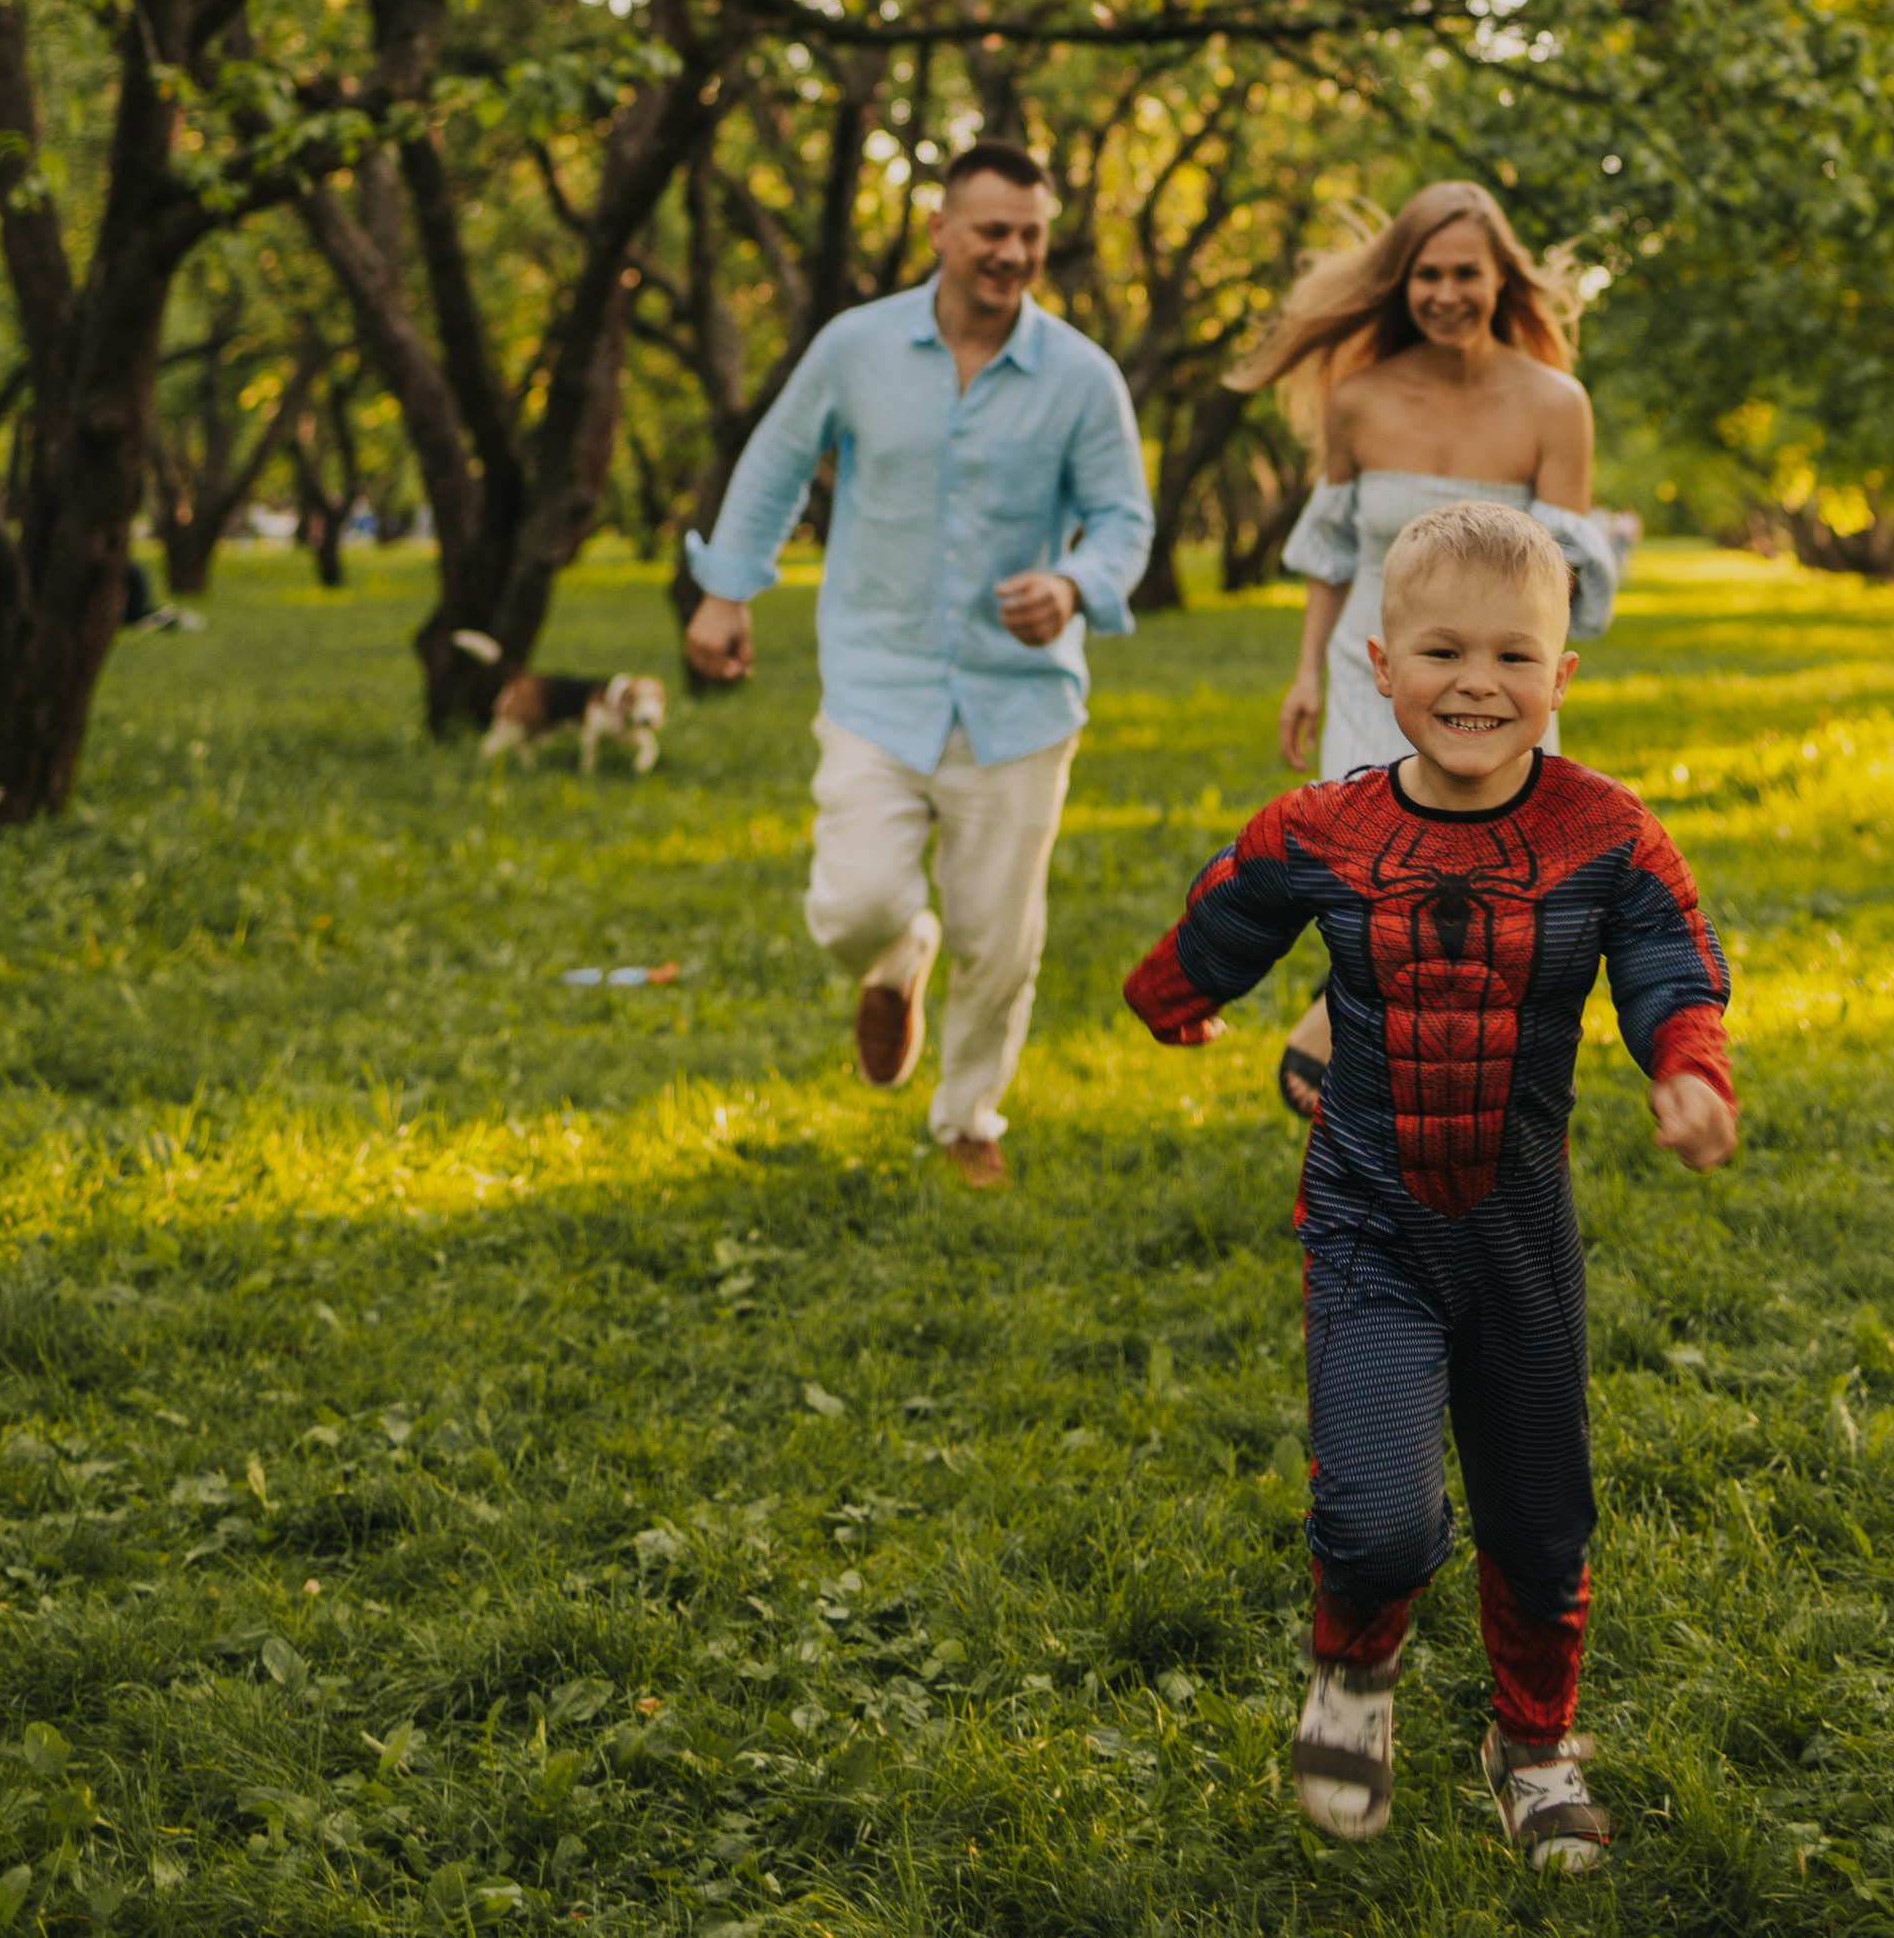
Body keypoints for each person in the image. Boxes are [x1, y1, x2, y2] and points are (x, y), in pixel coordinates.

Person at [1121, 498, 1736, 1874]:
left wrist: (1689, 1067)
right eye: (1442, 654)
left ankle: (1534, 1747)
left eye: (1515, 658)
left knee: (1539, 1513)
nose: (1477, 685)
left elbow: (1668, 966)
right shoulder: (1326, 829)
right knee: (1379, 1515)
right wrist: (1169, 993)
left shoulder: (1609, 837)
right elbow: (1230, 908)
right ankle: (1354, 1667)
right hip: (1365, 1218)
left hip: (1521, 1230)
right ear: (1381, 666)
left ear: (1562, 677)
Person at [681, 138, 1153, 1190]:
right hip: (875, 681)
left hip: (1019, 702)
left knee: (999, 939)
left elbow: (1124, 518)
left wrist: (1073, 585)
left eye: (1030, 235)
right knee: (851, 903)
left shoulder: (1081, 376)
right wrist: (726, 592)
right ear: (939, 229)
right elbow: (775, 459)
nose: (1012, 253)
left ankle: (967, 1116)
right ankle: (893, 959)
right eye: (991, 231)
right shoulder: (855, 347)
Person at [1229, 182, 1621, 1118]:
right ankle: (1353, 1037)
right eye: (1428, 275)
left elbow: (1558, 580)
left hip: (1489, 675)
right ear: (1401, 283)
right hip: (1380, 667)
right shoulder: (1357, 400)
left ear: (1502, 282)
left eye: (1467, 276)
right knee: (1376, 863)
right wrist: (1304, 673)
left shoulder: (1554, 405)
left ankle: (1392, 1053)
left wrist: (1530, 685)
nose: (1447, 293)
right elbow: (1331, 555)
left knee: (1490, 885)